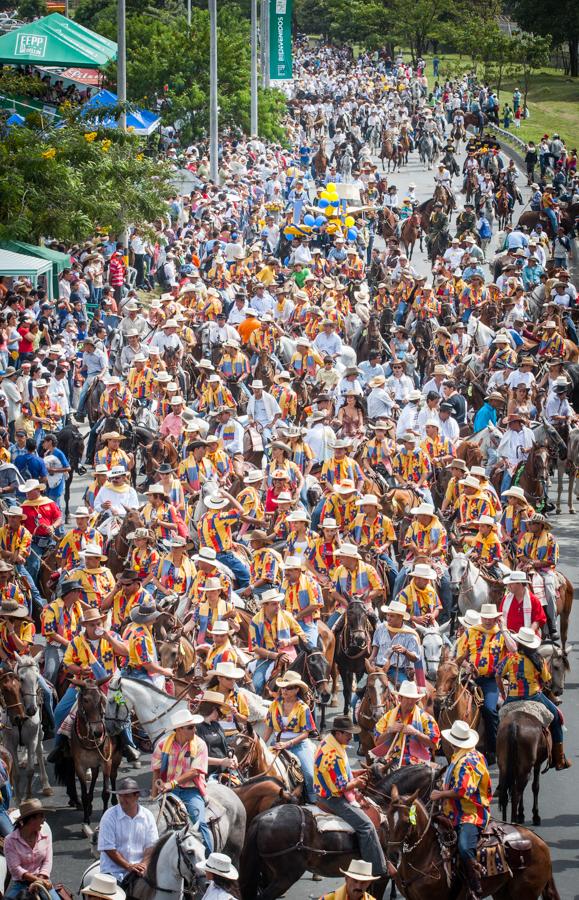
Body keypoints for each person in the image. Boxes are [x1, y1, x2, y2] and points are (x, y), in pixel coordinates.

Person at [314, 715, 387, 877]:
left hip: (326, 791)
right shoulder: (334, 754)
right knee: (366, 826)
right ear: (338, 733)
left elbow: (337, 774)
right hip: (332, 798)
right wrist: (358, 783)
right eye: (347, 734)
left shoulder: (328, 742)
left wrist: (353, 773)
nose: (350, 737)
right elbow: (342, 786)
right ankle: (378, 870)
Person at [431, 720, 492, 900]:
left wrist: (440, 794)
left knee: (465, 847)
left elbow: (462, 791)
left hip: (470, 814)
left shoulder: (468, 761)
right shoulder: (461, 755)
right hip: (452, 811)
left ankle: (475, 885)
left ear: (453, 742)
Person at [496, 627, 571, 770]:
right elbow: (547, 679)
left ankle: (498, 753)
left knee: (497, 722)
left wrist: (503, 692)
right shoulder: (539, 660)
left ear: (518, 643)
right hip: (534, 697)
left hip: (512, 698)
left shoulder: (510, 658)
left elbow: (497, 675)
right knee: (557, 718)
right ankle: (559, 758)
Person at [151, 708, 213, 855]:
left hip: (191, 791)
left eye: (194, 726)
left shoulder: (200, 745)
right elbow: (156, 773)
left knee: (200, 822)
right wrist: (153, 797)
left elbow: (195, 771)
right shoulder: (161, 745)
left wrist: (171, 784)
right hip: (167, 790)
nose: (195, 730)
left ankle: (209, 861)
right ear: (178, 729)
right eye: (190, 727)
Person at [263, 670, 317, 802]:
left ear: (297, 690)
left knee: (309, 774)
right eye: (283, 688)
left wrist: (288, 744)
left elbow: (306, 733)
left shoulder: (303, 708)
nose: (284, 691)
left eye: (289, 688)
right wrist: (263, 744)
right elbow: (270, 726)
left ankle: (313, 800)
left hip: (298, 745)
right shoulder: (274, 705)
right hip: (277, 744)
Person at [98, 777, 159, 883]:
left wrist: (144, 864)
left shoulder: (148, 816)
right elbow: (109, 849)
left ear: (137, 796)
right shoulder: (109, 816)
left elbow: (151, 846)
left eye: (126, 796)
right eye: (120, 795)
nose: (122, 799)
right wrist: (129, 866)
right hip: (113, 872)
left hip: (140, 871)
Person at [3, 799, 60, 900]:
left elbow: (47, 861)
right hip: (21, 884)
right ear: (30, 819)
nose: (44, 820)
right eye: (41, 816)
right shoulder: (10, 840)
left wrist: (40, 880)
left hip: (43, 880)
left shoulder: (45, 836)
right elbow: (15, 869)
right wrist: (37, 880)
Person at [372, 680, 440, 765]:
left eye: (413, 699)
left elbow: (434, 744)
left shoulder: (426, 718)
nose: (410, 702)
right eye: (407, 698)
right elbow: (377, 742)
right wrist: (389, 731)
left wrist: (416, 733)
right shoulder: (388, 717)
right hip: (390, 758)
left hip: (416, 761)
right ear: (400, 698)